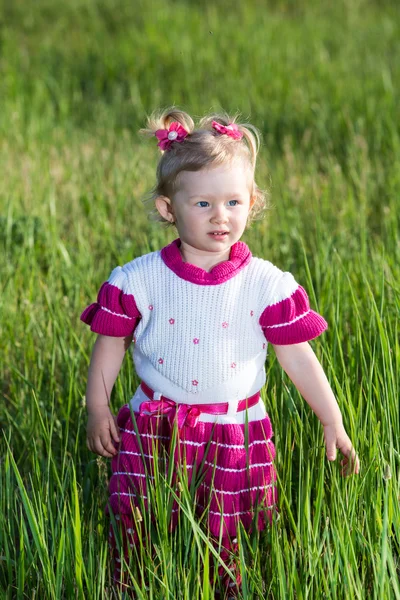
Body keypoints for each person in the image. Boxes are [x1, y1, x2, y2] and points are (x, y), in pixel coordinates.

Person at [80, 107, 360, 599]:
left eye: (233, 201)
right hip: (155, 426)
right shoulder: (138, 279)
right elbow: (111, 345)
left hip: (235, 430)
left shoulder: (266, 285)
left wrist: (331, 419)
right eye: (203, 203)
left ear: (252, 203)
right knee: (140, 519)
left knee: (229, 533)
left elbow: (298, 357)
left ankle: (227, 587)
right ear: (169, 208)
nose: (220, 216)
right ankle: (133, 583)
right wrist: (98, 406)